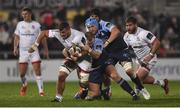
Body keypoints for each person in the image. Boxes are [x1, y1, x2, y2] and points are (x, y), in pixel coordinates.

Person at [87, 9, 150, 100]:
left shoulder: (105, 24)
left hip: (120, 50)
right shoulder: (91, 28)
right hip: (109, 54)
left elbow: (116, 32)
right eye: (91, 17)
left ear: (98, 17)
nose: (93, 19)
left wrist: (107, 42)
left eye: (94, 16)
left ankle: (141, 87)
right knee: (106, 73)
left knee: (129, 71)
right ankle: (105, 91)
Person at [28, 22, 91, 102]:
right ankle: (58, 98)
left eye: (64, 32)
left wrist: (70, 53)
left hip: (84, 57)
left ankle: (85, 90)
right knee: (61, 75)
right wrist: (35, 46)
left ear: (69, 29)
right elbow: (43, 33)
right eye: (60, 32)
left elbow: (86, 49)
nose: (62, 34)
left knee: (83, 82)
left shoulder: (78, 35)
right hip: (72, 56)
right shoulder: (57, 33)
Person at [123, 16, 169, 95]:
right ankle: (162, 83)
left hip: (149, 58)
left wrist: (150, 55)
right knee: (141, 79)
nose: (128, 28)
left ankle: (136, 96)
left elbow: (157, 43)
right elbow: (124, 49)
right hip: (139, 60)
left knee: (137, 78)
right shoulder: (126, 36)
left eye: (130, 25)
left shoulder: (144, 33)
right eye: (126, 25)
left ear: (136, 25)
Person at [13, 7, 49, 96]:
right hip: (23, 51)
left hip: (34, 50)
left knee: (37, 71)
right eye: (23, 14)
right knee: (22, 74)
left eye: (25, 14)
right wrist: (15, 47)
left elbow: (43, 38)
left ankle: (41, 91)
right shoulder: (19, 24)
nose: (24, 16)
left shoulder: (36, 25)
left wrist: (46, 50)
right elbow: (16, 37)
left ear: (30, 14)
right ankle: (24, 85)